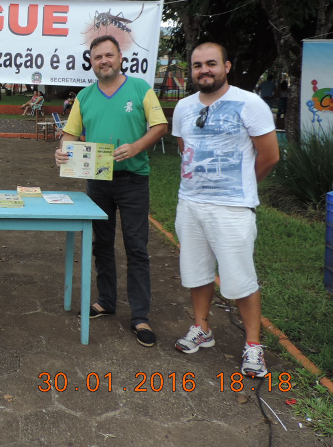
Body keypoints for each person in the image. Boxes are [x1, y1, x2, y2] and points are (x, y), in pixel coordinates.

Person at [172, 42, 279, 377]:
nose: (204, 70)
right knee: (196, 271)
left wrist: (241, 185)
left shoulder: (250, 103)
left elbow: (270, 155)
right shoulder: (184, 107)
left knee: (240, 278)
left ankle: (253, 345)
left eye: (211, 63)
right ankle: (201, 328)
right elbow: (185, 149)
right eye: (197, 65)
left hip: (232, 209)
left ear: (226, 66)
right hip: (190, 204)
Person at [54, 35, 168, 347]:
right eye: (97, 57)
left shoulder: (140, 89)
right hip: (98, 181)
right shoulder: (85, 96)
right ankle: (106, 301)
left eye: (109, 55)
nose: (103, 61)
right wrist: (62, 151)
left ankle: (140, 316)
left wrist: (137, 147)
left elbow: (160, 126)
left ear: (120, 58)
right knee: (101, 244)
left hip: (133, 180)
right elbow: (69, 134)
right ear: (91, 63)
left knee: (136, 247)